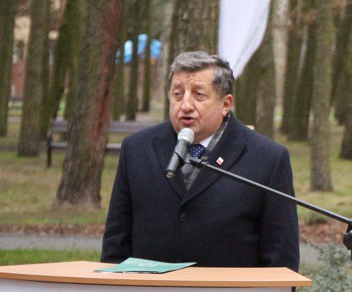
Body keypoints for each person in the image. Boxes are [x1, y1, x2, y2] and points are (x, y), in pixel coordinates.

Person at [101, 51, 299, 271]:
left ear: (226, 104)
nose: (185, 105)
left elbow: (281, 258)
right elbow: (115, 245)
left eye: (198, 95)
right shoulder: (137, 149)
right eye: (178, 94)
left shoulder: (267, 158)